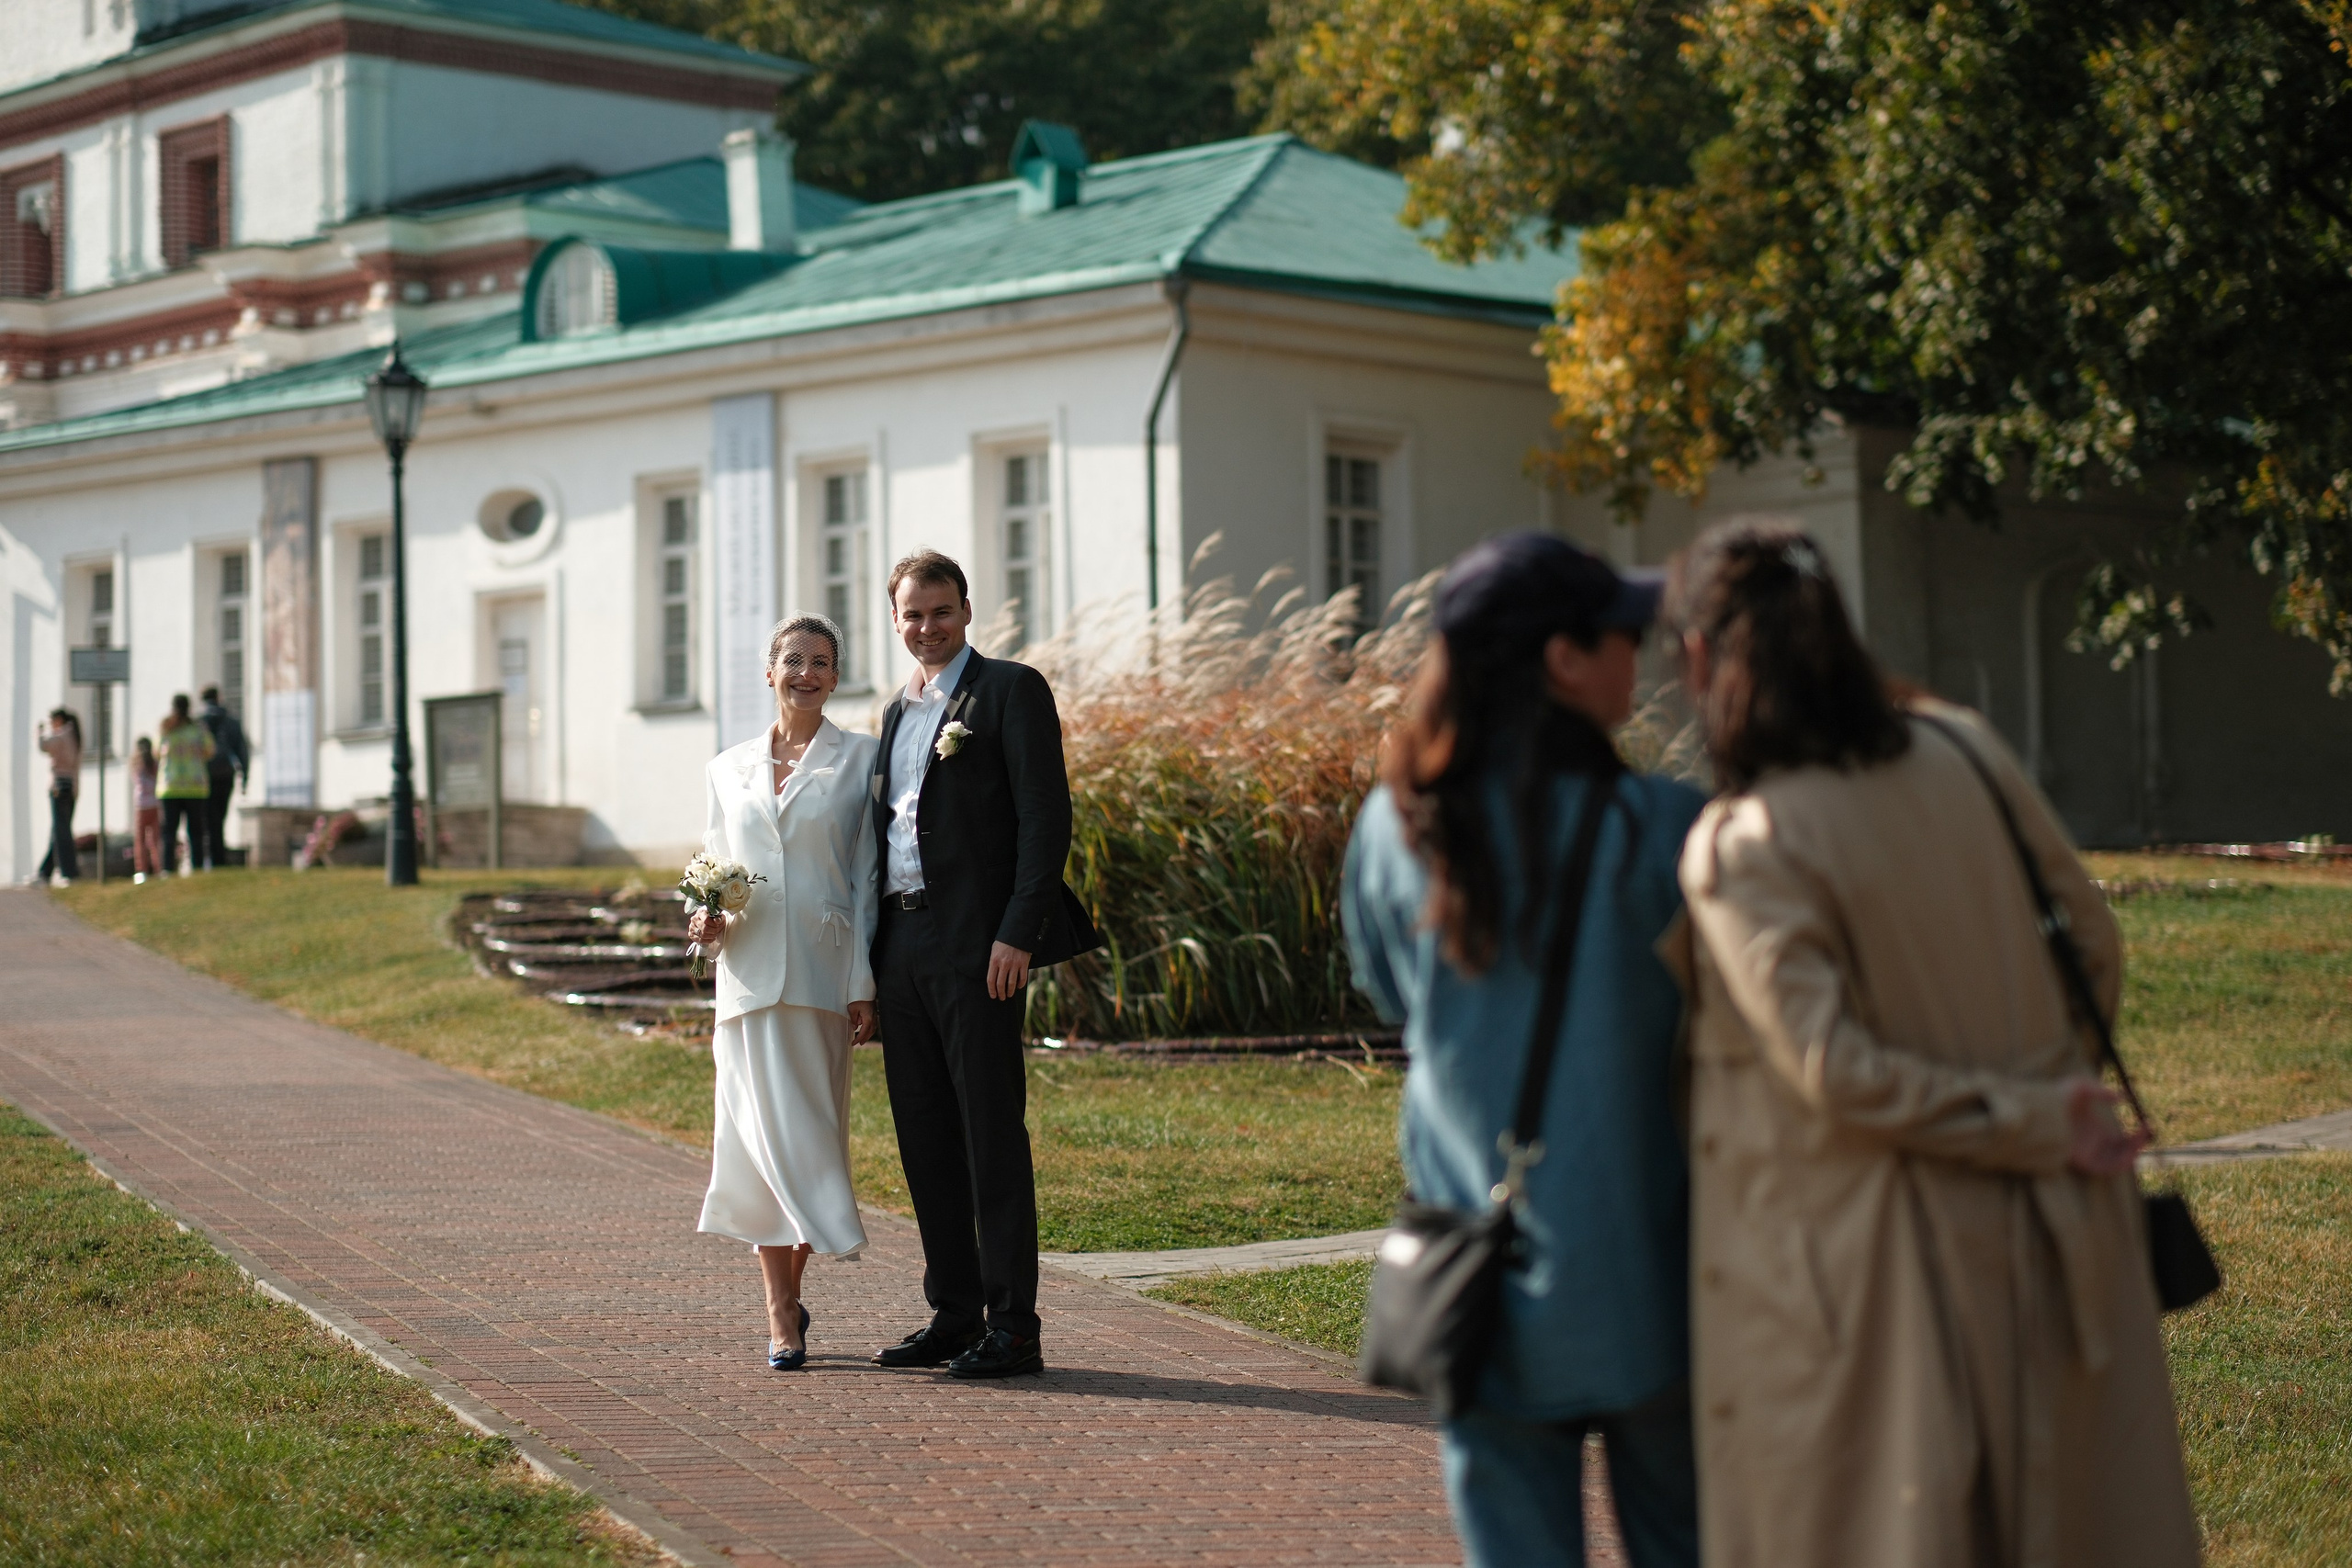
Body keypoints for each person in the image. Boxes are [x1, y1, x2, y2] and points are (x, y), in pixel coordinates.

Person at [1665, 521, 2199, 1568]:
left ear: (1698, 656)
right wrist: (2044, 1089)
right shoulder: (1965, 749)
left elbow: (1833, 1070)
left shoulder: (1744, 844)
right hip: (2057, 1228)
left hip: (1879, 1270)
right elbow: (2091, 943)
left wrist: (2026, 1116)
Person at [1341, 534, 1706, 1568]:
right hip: (1655, 1271)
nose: (1641, 655)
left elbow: (1393, 997)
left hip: (1476, 1281)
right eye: (1624, 633)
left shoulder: (1392, 828)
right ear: (1564, 659)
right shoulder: (1669, 828)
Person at [865, 549, 1099, 1380]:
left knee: (991, 1134)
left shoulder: (1009, 690)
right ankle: (955, 1313)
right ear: (895, 620)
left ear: (967, 610)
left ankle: (1014, 1327)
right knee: (924, 1136)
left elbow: (1045, 817)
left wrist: (1017, 932)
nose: (926, 626)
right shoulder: (894, 712)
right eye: (912, 614)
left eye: (941, 610)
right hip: (900, 945)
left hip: (979, 946)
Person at [685, 615, 880, 1370]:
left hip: (823, 976)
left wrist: (863, 981)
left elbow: (865, 876)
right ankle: (779, 1310)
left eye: (821, 662)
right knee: (756, 1147)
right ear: (769, 670)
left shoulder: (860, 758)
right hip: (745, 976)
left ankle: (788, 1296)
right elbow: (712, 869)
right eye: (793, 659)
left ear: (835, 677)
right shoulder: (725, 767)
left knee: (810, 1145)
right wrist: (704, 926)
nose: (807, 672)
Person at [156, 694, 216, 874]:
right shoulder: (198, 729)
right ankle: (197, 867)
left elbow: (156, 751)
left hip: (170, 786)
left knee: (169, 832)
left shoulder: (166, 728)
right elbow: (210, 750)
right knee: (196, 832)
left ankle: (167, 868)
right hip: (194, 786)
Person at [198, 685, 249, 867]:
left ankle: (210, 858)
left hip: (202, 776)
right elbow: (242, 751)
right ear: (218, 698)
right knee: (219, 817)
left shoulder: (198, 723)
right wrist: (245, 776)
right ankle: (218, 858)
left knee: (207, 819)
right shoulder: (231, 722)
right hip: (225, 774)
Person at [35, 708, 82, 885]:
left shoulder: (62, 735)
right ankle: (45, 872)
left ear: (59, 719)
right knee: (60, 830)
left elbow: (44, 746)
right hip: (71, 787)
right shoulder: (74, 736)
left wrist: (40, 732)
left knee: (61, 832)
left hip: (59, 787)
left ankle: (68, 872)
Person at [130, 736, 163, 884]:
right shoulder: (155, 763)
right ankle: (158, 868)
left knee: (140, 840)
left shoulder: (136, 763)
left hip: (141, 805)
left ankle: (141, 870)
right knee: (155, 840)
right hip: (155, 804)